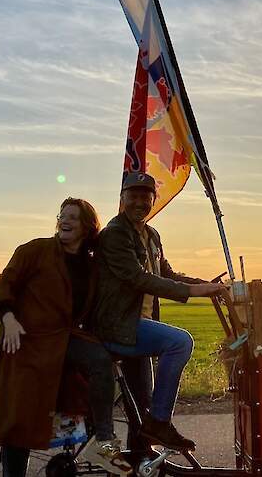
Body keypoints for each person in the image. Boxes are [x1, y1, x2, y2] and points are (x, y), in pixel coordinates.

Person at [0, 198, 129, 477]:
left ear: (87, 226)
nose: (64, 221)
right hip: (24, 341)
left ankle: (103, 441)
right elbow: (5, 286)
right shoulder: (34, 250)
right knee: (20, 416)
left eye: (73, 217)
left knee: (101, 361)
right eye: (62, 216)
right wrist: (9, 319)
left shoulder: (91, 266)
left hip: (62, 339)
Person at [93, 172, 228, 452]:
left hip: (140, 327)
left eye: (146, 196)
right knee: (180, 342)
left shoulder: (151, 234)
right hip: (119, 326)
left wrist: (206, 286)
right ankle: (160, 423)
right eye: (133, 196)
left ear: (154, 200)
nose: (139, 202)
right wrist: (191, 292)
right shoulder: (115, 234)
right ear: (122, 199)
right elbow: (137, 277)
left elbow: (166, 273)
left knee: (141, 411)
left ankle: (141, 460)